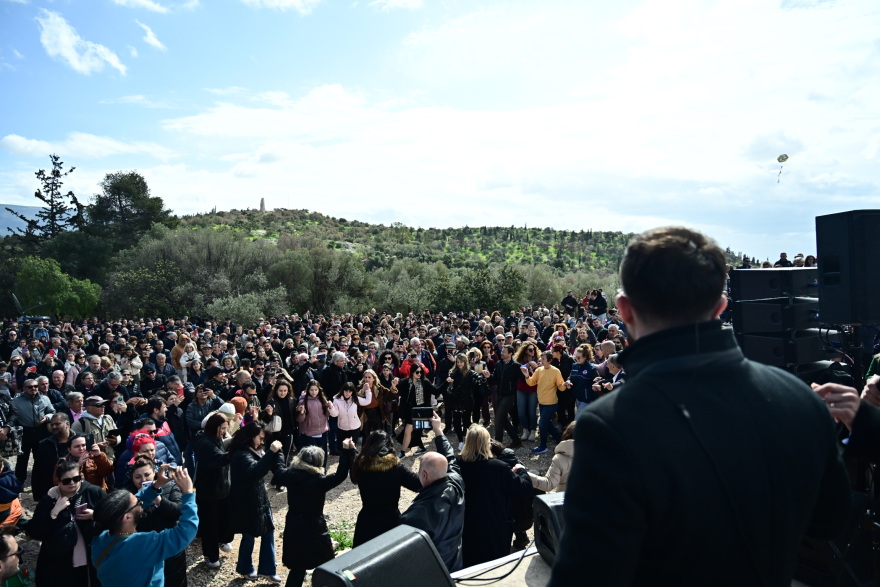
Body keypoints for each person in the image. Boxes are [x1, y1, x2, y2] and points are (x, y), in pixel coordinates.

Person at [549, 226, 851, 586]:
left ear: (624, 310)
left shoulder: (611, 425)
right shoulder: (800, 398)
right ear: (721, 307)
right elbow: (830, 522)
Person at [91, 466, 197, 587]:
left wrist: (156, 485)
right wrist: (188, 492)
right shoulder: (142, 544)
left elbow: (132, 502)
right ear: (127, 517)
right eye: (138, 503)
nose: (141, 503)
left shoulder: (99, 539)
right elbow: (185, 532)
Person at [276, 438, 356, 587]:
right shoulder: (319, 481)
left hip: (294, 524)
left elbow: (278, 469)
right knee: (328, 562)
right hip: (315, 526)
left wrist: (278, 452)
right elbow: (341, 475)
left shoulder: (289, 476)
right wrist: (346, 451)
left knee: (298, 567)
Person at [458, 424, 533, 567]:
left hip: (467, 523)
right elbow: (523, 488)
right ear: (487, 443)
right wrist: (522, 470)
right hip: (494, 524)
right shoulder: (498, 467)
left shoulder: (458, 464)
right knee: (495, 566)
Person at [400, 412, 465, 572]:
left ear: (424, 475)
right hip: (455, 562)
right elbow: (450, 458)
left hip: (434, 572)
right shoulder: (456, 482)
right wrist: (438, 431)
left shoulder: (420, 512)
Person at [26, 459, 106, 586]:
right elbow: (34, 531)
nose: (72, 483)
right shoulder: (49, 500)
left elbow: (113, 518)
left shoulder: (94, 492)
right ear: (58, 482)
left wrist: (95, 515)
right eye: (66, 481)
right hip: (59, 561)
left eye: (76, 478)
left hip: (90, 556)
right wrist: (54, 513)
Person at [228, 422, 284, 582]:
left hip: (260, 498)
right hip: (247, 502)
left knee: (268, 531)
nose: (262, 442)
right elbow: (255, 472)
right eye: (260, 438)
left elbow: (267, 464)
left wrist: (275, 454)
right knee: (249, 535)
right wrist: (271, 452)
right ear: (250, 436)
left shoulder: (254, 449)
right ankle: (245, 567)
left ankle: (267, 569)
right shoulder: (241, 454)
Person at [350, 429, 421, 546]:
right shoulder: (395, 466)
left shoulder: (361, 464)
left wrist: (350, 452)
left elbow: (353, 479)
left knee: (363, 558)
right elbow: (417, 485)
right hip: (390, 519)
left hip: (367, 519)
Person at [192, 413, 233, 569]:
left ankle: (222, 539)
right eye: (222, 428)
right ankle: (211, 555)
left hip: (223, 487)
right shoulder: (204, 442)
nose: (224, 432)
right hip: (208, 491)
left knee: (225, 518)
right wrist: (236, 450)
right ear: (214, 427)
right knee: (210, 524)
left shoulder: (215, 437)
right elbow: (219, 459)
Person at [522, 350, 566, 455]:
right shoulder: (539, 370)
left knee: (541, 424)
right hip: (541, 402)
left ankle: (543, 446)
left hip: (551, 403)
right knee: (546, 423)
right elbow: (531, 382)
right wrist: (527, 375)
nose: (540, 360)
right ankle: (560, 440)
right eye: (541, 358)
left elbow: (561, 387)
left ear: (550, 360)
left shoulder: (556, 371)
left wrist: (566, 384)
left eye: (543, 358)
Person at [396, 366, 437, 456]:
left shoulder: (425, 382)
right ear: (412, 372)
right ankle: (422, 447)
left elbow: (436, 391)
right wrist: (394, 385)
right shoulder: (406, 382)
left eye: (420, 372)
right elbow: (397, 389)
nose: (419, 374)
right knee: (416, 433)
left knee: (408, 431)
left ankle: (402, 452)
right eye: (417, 372)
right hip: (408, 411)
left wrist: (446, 382)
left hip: (419, 412)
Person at [529, 421, 575, 493]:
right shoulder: (596, 456)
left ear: (567, 434)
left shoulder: (560, 459)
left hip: (566, 500)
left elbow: (548, 485)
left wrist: (524, 473)